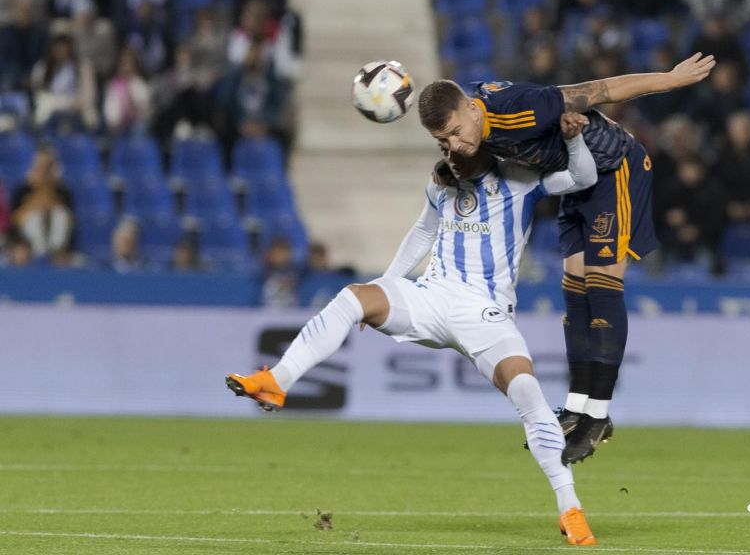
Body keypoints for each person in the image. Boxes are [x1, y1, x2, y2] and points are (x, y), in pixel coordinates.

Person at [228, 115, 601, 545]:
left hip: (485, 312)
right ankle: (277, 381)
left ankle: (569, 508)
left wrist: (573, 141)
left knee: (528, 394)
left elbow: (582, 175)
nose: (448, 153)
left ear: (479, 140)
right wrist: (384, 286)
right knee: (353, 297)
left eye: (454, 143)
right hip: (431, 296)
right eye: (442, 145)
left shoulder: (520, 178)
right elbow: (423, 232)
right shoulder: (442, 184)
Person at [416, 52, 714, 465]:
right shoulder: (472, 129)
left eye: (454, 133)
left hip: (615, 171)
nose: (455, 144)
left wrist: (670, 79)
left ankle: (599, 415)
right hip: (574, 182)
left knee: (602, 286)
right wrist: (449, 166)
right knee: (574, 293)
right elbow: (477, 159)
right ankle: (576, 408)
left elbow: (601, 90)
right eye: (443, 141)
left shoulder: (521, 107)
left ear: (470, 107)